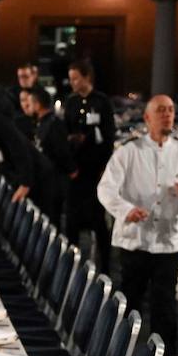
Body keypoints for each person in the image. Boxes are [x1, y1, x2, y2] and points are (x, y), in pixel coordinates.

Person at [97, 95, 178, 356]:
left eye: (170, 110)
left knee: (165, 305)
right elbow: (106, 189)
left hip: (168, 241)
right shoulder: (128, 152)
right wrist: (126, 210)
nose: (168, 114)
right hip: (135, 239)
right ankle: (118, 355)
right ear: (147, 118)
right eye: (161, 110)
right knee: (130, 302)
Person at [64, 59, 117, 272]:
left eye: (76, 78)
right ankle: (72, 264)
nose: (73, 83)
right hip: (76, 168)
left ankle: (105, 267)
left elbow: (109, 135)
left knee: (98, 219)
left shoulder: (102, 102)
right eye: (71, 79)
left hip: (95, 169)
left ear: (87, 77)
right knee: (73, 218)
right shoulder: (71, 102)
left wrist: (105, 165)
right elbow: (66, 129)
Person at [19, 85, 74, 227]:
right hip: (44, 181)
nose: (27, 106)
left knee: (52, 221)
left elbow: (62, 152)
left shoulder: (53, 124)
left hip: (54, 182)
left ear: (37, 105)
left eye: (30, 103)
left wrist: (72, 170)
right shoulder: (42, 123)